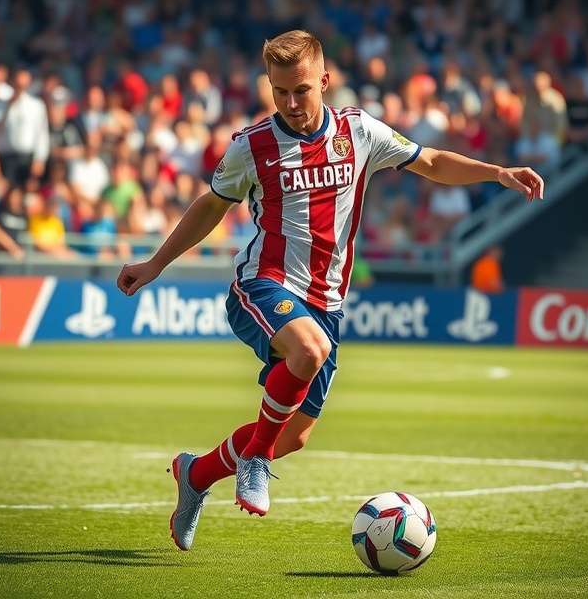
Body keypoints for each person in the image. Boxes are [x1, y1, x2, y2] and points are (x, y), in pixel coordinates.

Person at [116, 30, 544, 551]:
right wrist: (157, 262)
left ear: (324, 80)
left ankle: (197, 474)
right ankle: (254, 460)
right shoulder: (251, 146)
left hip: (328, 302)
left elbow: (429, 161)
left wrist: (497, 173)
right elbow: (212, 205)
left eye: (301, 90)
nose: (292, 104)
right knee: (308, 352)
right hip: (263, 283)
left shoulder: (358, 131)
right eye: (280, 92)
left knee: (291, 436)